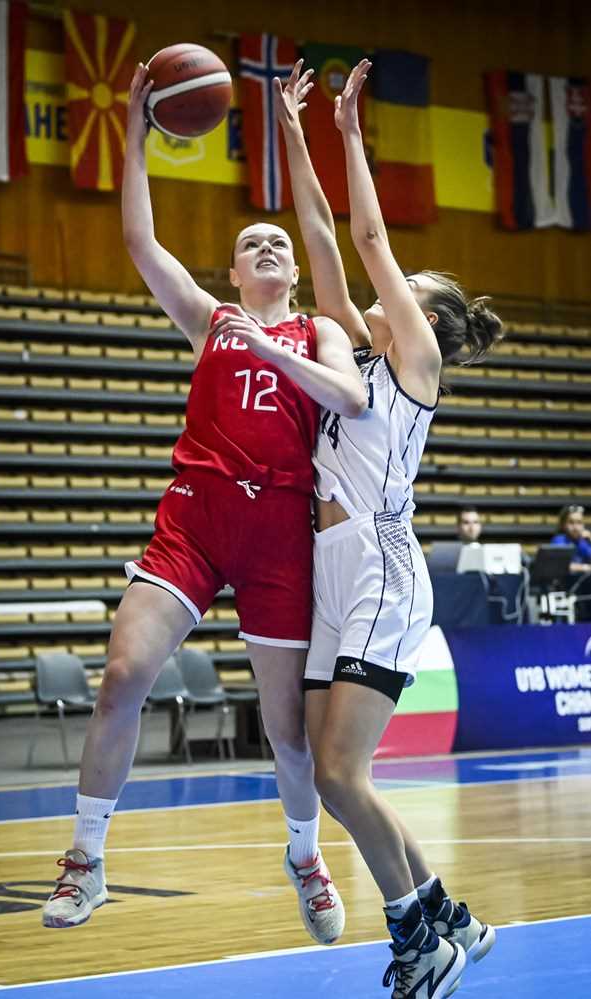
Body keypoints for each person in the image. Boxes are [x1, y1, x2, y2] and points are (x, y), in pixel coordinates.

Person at [41, 62, 369, 943]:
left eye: (279, 243)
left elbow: (349, 398)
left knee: (286, 731)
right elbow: (143, 243)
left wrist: (267, 346)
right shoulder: (208, 318)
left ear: (294, 272)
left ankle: (304, 854)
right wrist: (140, 133)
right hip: (197, 512)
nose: (266, 247)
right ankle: (86, 859)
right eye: (250, 243)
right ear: (230, 269)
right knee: (120, 680)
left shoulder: (317, 330)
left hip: (279, 532)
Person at [274, 59, 502, 998]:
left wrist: (351, 131)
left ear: (427, 319)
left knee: (336, 769)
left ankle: (418, 940)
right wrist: (292, 127)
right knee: (335, 778)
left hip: (376, 566)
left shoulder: (412, 358)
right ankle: (445, 914)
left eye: (406, 285)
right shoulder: (355, 356)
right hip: (333, 567)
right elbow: (325, 235)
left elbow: (365, 230)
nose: (384, 283)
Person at [550, 504, 591, 572]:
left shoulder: (585, 541)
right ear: (563, 525)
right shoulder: (559, 540)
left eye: (579, 522)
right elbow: (559, 565)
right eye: (571, 522)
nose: (575, 527)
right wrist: (585, 567)